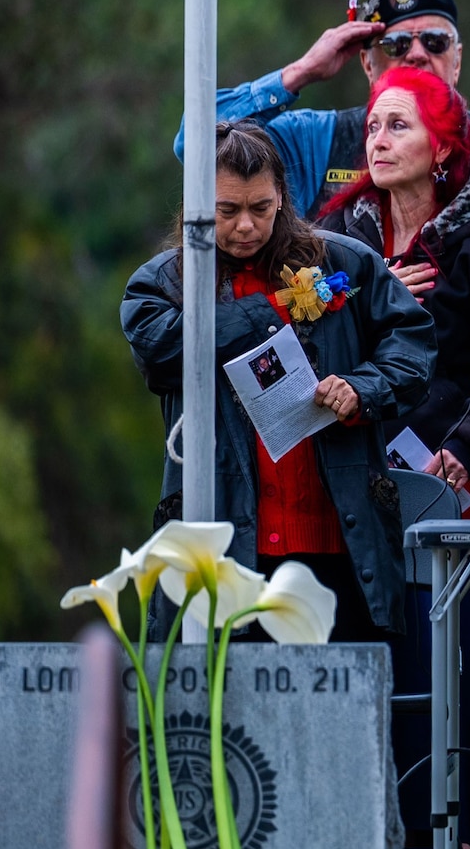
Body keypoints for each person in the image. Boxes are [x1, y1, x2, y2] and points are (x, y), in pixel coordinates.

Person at [316, 65, 470, 845]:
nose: (378, 141)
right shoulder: (335, 242)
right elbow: (299, 347)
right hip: (361, 493)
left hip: (467, 492)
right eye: (374, 127)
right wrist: (370, 303)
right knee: (397, 684)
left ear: (443, 145)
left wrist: (464, 451)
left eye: (399, 126)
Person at [122, 120, 436, 641]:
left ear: (282, 199)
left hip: (341, 547)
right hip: (221, 551)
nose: (245, 226)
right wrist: (267, 311)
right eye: (227, 211)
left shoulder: (346, 262)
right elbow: (160, 352)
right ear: (198, 207)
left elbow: (415, 350)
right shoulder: (163, 284)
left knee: (348, 717)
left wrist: (363, 388)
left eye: (261, 208)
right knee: (229, 720)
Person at [174, 0, 470, 219]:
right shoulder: (320, 138)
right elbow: (196, 141)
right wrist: (301, 72)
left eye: (435, 42)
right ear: (367, 65)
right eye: (396, 44)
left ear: (458, 61)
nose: (418, 54)